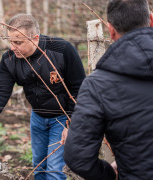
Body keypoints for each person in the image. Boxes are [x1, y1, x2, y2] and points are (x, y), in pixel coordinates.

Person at [0, 14, 86, 180]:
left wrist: (71, 122)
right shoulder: (9, 59)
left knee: (54, 170)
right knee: (39, 165)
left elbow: (79, 88)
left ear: (35, 38)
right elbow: (1, 91)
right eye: (10, 41)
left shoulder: (62, 50)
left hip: (61, 119)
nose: (13, 47)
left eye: (18, 42)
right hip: (37, 118)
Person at [63, 0, 153, 179]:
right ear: (151, 20)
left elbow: (78, 157)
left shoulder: (97, 85)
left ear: (110, 31)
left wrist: (110, 174)